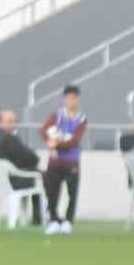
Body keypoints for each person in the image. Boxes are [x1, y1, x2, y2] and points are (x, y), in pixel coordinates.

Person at [41, 85, 86, 235]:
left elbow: (74, 140)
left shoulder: (81, 119)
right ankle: (54, 220)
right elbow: (44, 130)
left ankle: (68, 222)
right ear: (64, 100)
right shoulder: (57, 116)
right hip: (55, 162)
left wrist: (57, 143)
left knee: (72, 193)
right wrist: (50, 141)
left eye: (74, 98)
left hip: (71, 161)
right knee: (52, 192)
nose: (71, 101)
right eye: (69, 98)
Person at [0, 108, 43, 226]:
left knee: (36, 173)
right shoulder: (8, 138)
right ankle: (40, 217)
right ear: (0, 122)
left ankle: (36, 217)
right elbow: (30, 157)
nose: (14, 124)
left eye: (15, 121)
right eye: (10, 121)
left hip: (6, 180)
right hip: (15, 180)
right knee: (42, 176)